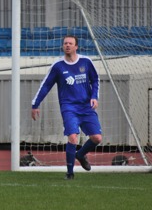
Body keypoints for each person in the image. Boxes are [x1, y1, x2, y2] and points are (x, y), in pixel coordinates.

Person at [31, 35, 102, 180]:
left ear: (76, 46)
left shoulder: (86, 62)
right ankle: (70, 173)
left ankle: (80, 155)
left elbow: (95, 80)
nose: (67, 45)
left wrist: (94, 96)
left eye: (70, 43)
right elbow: (45, 86)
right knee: (72, 137)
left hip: (86, 106)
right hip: (69, 107)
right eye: (65, 43)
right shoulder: (58, 66)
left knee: (97, 138)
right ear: (63, 46)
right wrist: (35, 104)